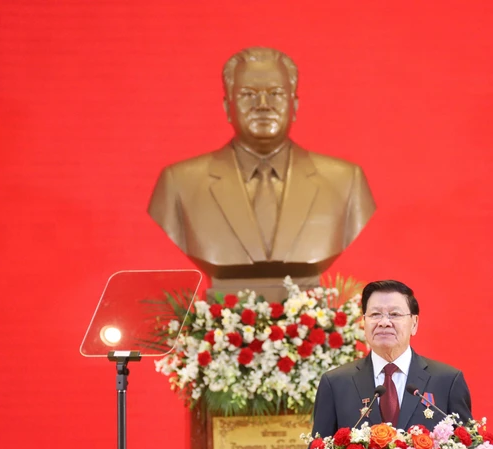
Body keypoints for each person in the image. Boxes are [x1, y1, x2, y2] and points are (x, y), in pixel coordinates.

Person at [147, 47, 375, 300]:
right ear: (226, 106)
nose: (263, 105)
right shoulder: (180, 183)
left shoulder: (344, 181)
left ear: (295, 104)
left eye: (276, 94)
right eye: (248, 94)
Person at [311, 280, 473, 437]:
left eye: (394, 314)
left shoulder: (447, 381)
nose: (384, 322)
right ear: (364, 322)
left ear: (414, 323)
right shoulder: (335, 383)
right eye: (375, 314)